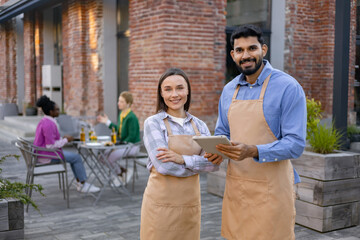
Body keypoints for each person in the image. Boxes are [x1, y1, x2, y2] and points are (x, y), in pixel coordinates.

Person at [205, 25, 307, 240]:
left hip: (273, 191)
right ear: (233, 55)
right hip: (237, 188)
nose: (246, 55)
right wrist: (217, 151)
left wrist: (253, 150)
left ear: (263, 49)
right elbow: (223, 131)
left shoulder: (288, 87)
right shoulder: (228, 90)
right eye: (240, 50)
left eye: (252, 48)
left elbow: (296, 144)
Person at [140, 68, 219, 240]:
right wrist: (197, 164)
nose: (174, 94)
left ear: (188, 90)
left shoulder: (200, 125)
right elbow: (164, 165)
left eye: (179, 88)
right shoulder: (153, 123)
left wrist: (181, 159)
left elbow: (213, 164)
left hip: (189, 207)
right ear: (161, 94)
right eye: (168, 89)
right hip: (160, 206)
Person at [33, 95, 100, 193]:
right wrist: (66, 140)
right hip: (46, 156)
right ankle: (83, 184)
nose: (59, 111)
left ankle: (80, 183)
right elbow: (50, 146)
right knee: (76, 158)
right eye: (57, 110)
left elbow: (51, 141)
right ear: (51, 112)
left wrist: (63, 139)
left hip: (44, 153)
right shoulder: (48, 124)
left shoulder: (45, 121)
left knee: (74, 157)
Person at [97, 91, 140, 185]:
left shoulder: (131, 117)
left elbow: (131, 137)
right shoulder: (122, 114)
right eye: (118, 101)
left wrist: (117, 146)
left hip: (132, 146)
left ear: (128, 104)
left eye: (121, 101)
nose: (118, 103)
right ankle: (123, 171)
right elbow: (119, 130)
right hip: (123, 144)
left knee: (110, 157)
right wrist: (107, 122)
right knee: (101, 157)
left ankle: (120, 174)